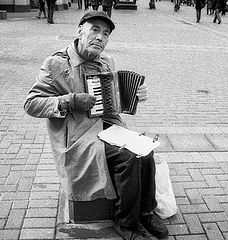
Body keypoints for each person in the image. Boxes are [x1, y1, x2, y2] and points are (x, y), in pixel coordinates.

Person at [24, 10, 169, 240]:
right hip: (78, 136)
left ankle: (146, 212)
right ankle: (127, 224)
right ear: (79, 31)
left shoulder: (107, 61)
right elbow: (31, 104)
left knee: (145, 151)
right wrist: (69, 100)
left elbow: (114, 101)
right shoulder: (54, 64)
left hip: (107, 127)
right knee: (128, 157)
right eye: (94, 30)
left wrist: (135, 96)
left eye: (106, 34)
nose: (100, 37)